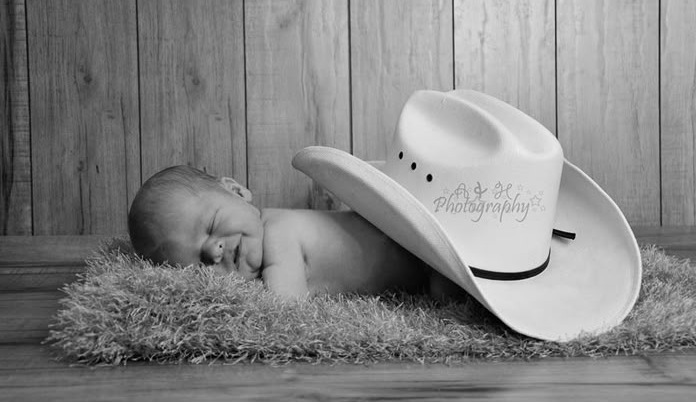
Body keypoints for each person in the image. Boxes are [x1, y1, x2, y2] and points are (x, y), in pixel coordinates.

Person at [128, 165, 458, 299]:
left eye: (212, 227)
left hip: (428, 253)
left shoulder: (278, 233)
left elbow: (286, 312)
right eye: (200, 264)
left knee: (451, 289)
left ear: (238, 191)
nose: (214, 251)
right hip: (417, 278)